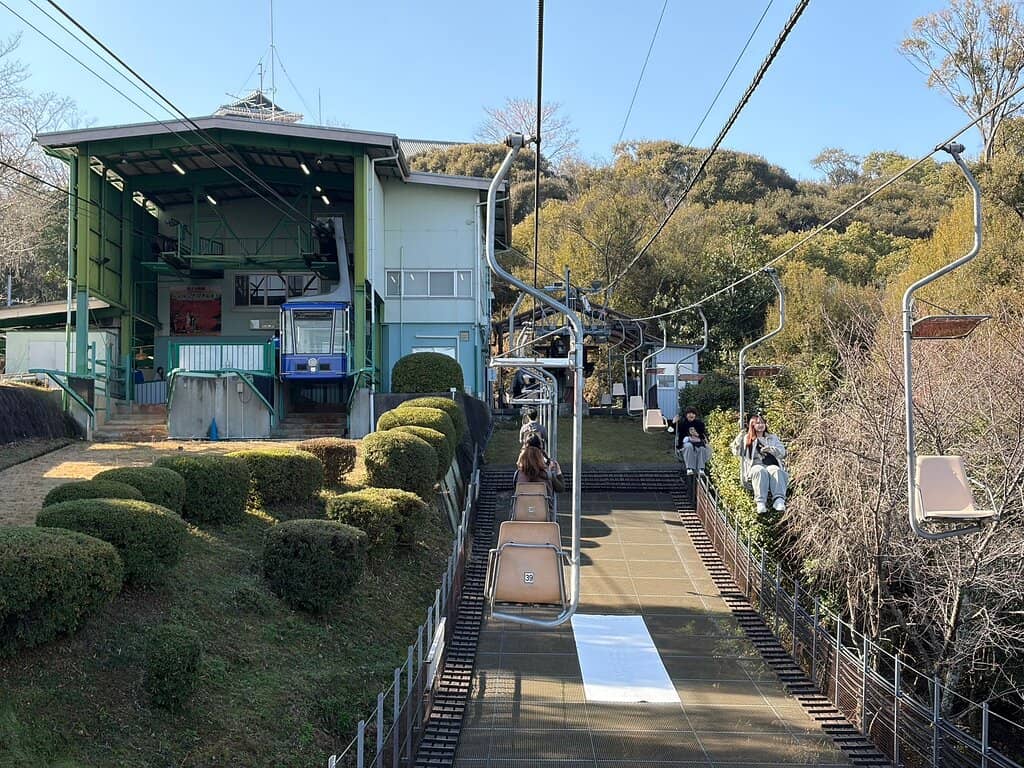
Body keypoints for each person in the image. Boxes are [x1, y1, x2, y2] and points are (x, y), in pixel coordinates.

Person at [730, 413, 788, 515]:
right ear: (752, 425)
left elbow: (782, 452)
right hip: (755, 465)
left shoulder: (772, 438)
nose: (760, 425)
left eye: (762, 423)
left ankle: (779, 499)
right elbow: (736, 451)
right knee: (760, 471)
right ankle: (760, 501)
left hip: (770, 464)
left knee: (776, 470)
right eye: (757, 423)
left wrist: (771, 449)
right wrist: (741, 433)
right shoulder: (747, 438)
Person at [674, 406, 711, 477]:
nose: (691, 415)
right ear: (686, 415)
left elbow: (702, 434)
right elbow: (671, 430)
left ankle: (701, 469)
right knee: (689, 446)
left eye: (693, 414)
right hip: (686, 444)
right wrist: (674, 423)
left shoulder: (699, 423)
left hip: (698, 443)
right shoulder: (682, 423)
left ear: (695, 415)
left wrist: (697, 435)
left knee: (702, 448)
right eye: (689, 413)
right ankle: (689, 468)